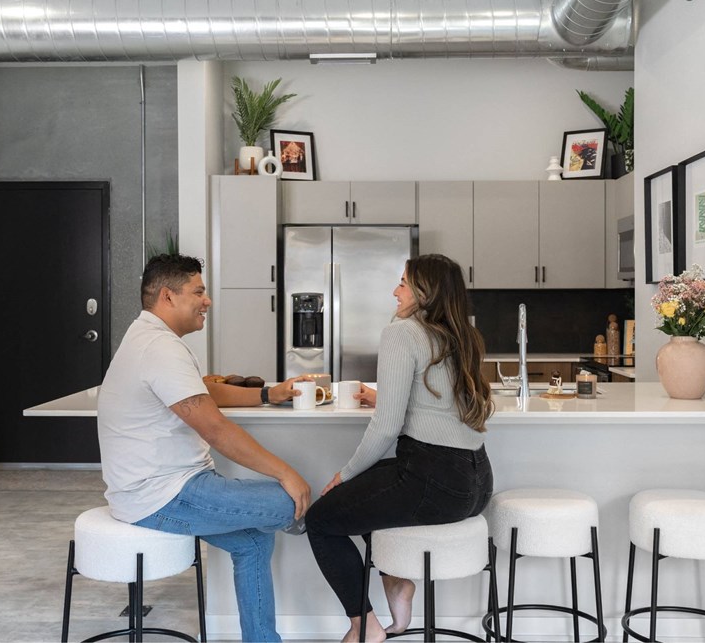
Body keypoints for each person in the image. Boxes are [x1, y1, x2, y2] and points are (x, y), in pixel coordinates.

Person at [97, 254, 311, 643]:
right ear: (168, 296)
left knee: (254, 540)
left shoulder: (150, 338)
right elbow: (215, 429)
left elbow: (202, 391)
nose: (207, 300)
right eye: (198, 291)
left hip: (160, 489)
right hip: (162, 496)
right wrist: (287, 474)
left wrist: (266, 394)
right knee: (289, 500)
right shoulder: (159, 348)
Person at [304, 253, 495, 643]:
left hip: (433, 483)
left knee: (322, 519)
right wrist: (390, 398)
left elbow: (386, 427)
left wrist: (347, 471)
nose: (395, 291)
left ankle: (364, 627)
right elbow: (441, 404)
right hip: (476, 484)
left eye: (403, 283)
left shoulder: (403, 332)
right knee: (370, 490)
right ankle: (397, 583)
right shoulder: (463, 335)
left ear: (426, 292)